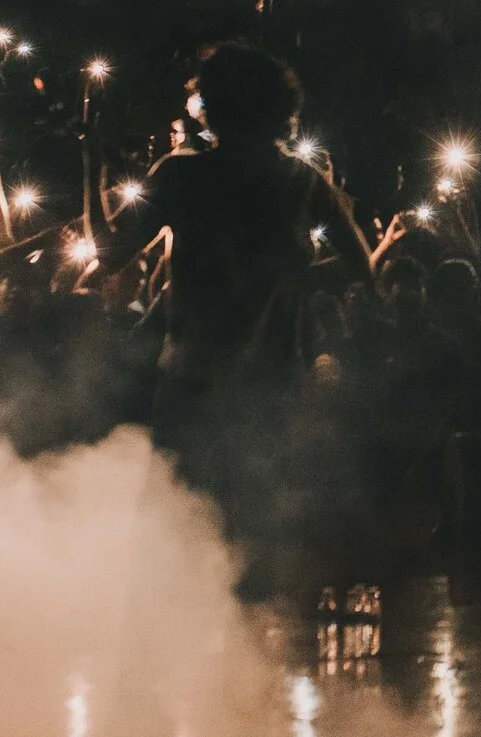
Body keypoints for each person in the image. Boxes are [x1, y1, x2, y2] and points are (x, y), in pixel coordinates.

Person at [133, 41, 387, 570]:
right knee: (261, 549)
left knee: (174, 546)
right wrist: (294, 276)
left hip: (193, 385)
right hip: (271, 386)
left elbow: (111, 254)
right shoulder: (299, 181)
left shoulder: (179, 174)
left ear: (213, 103)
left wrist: (93, 168)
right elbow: (364, 269)